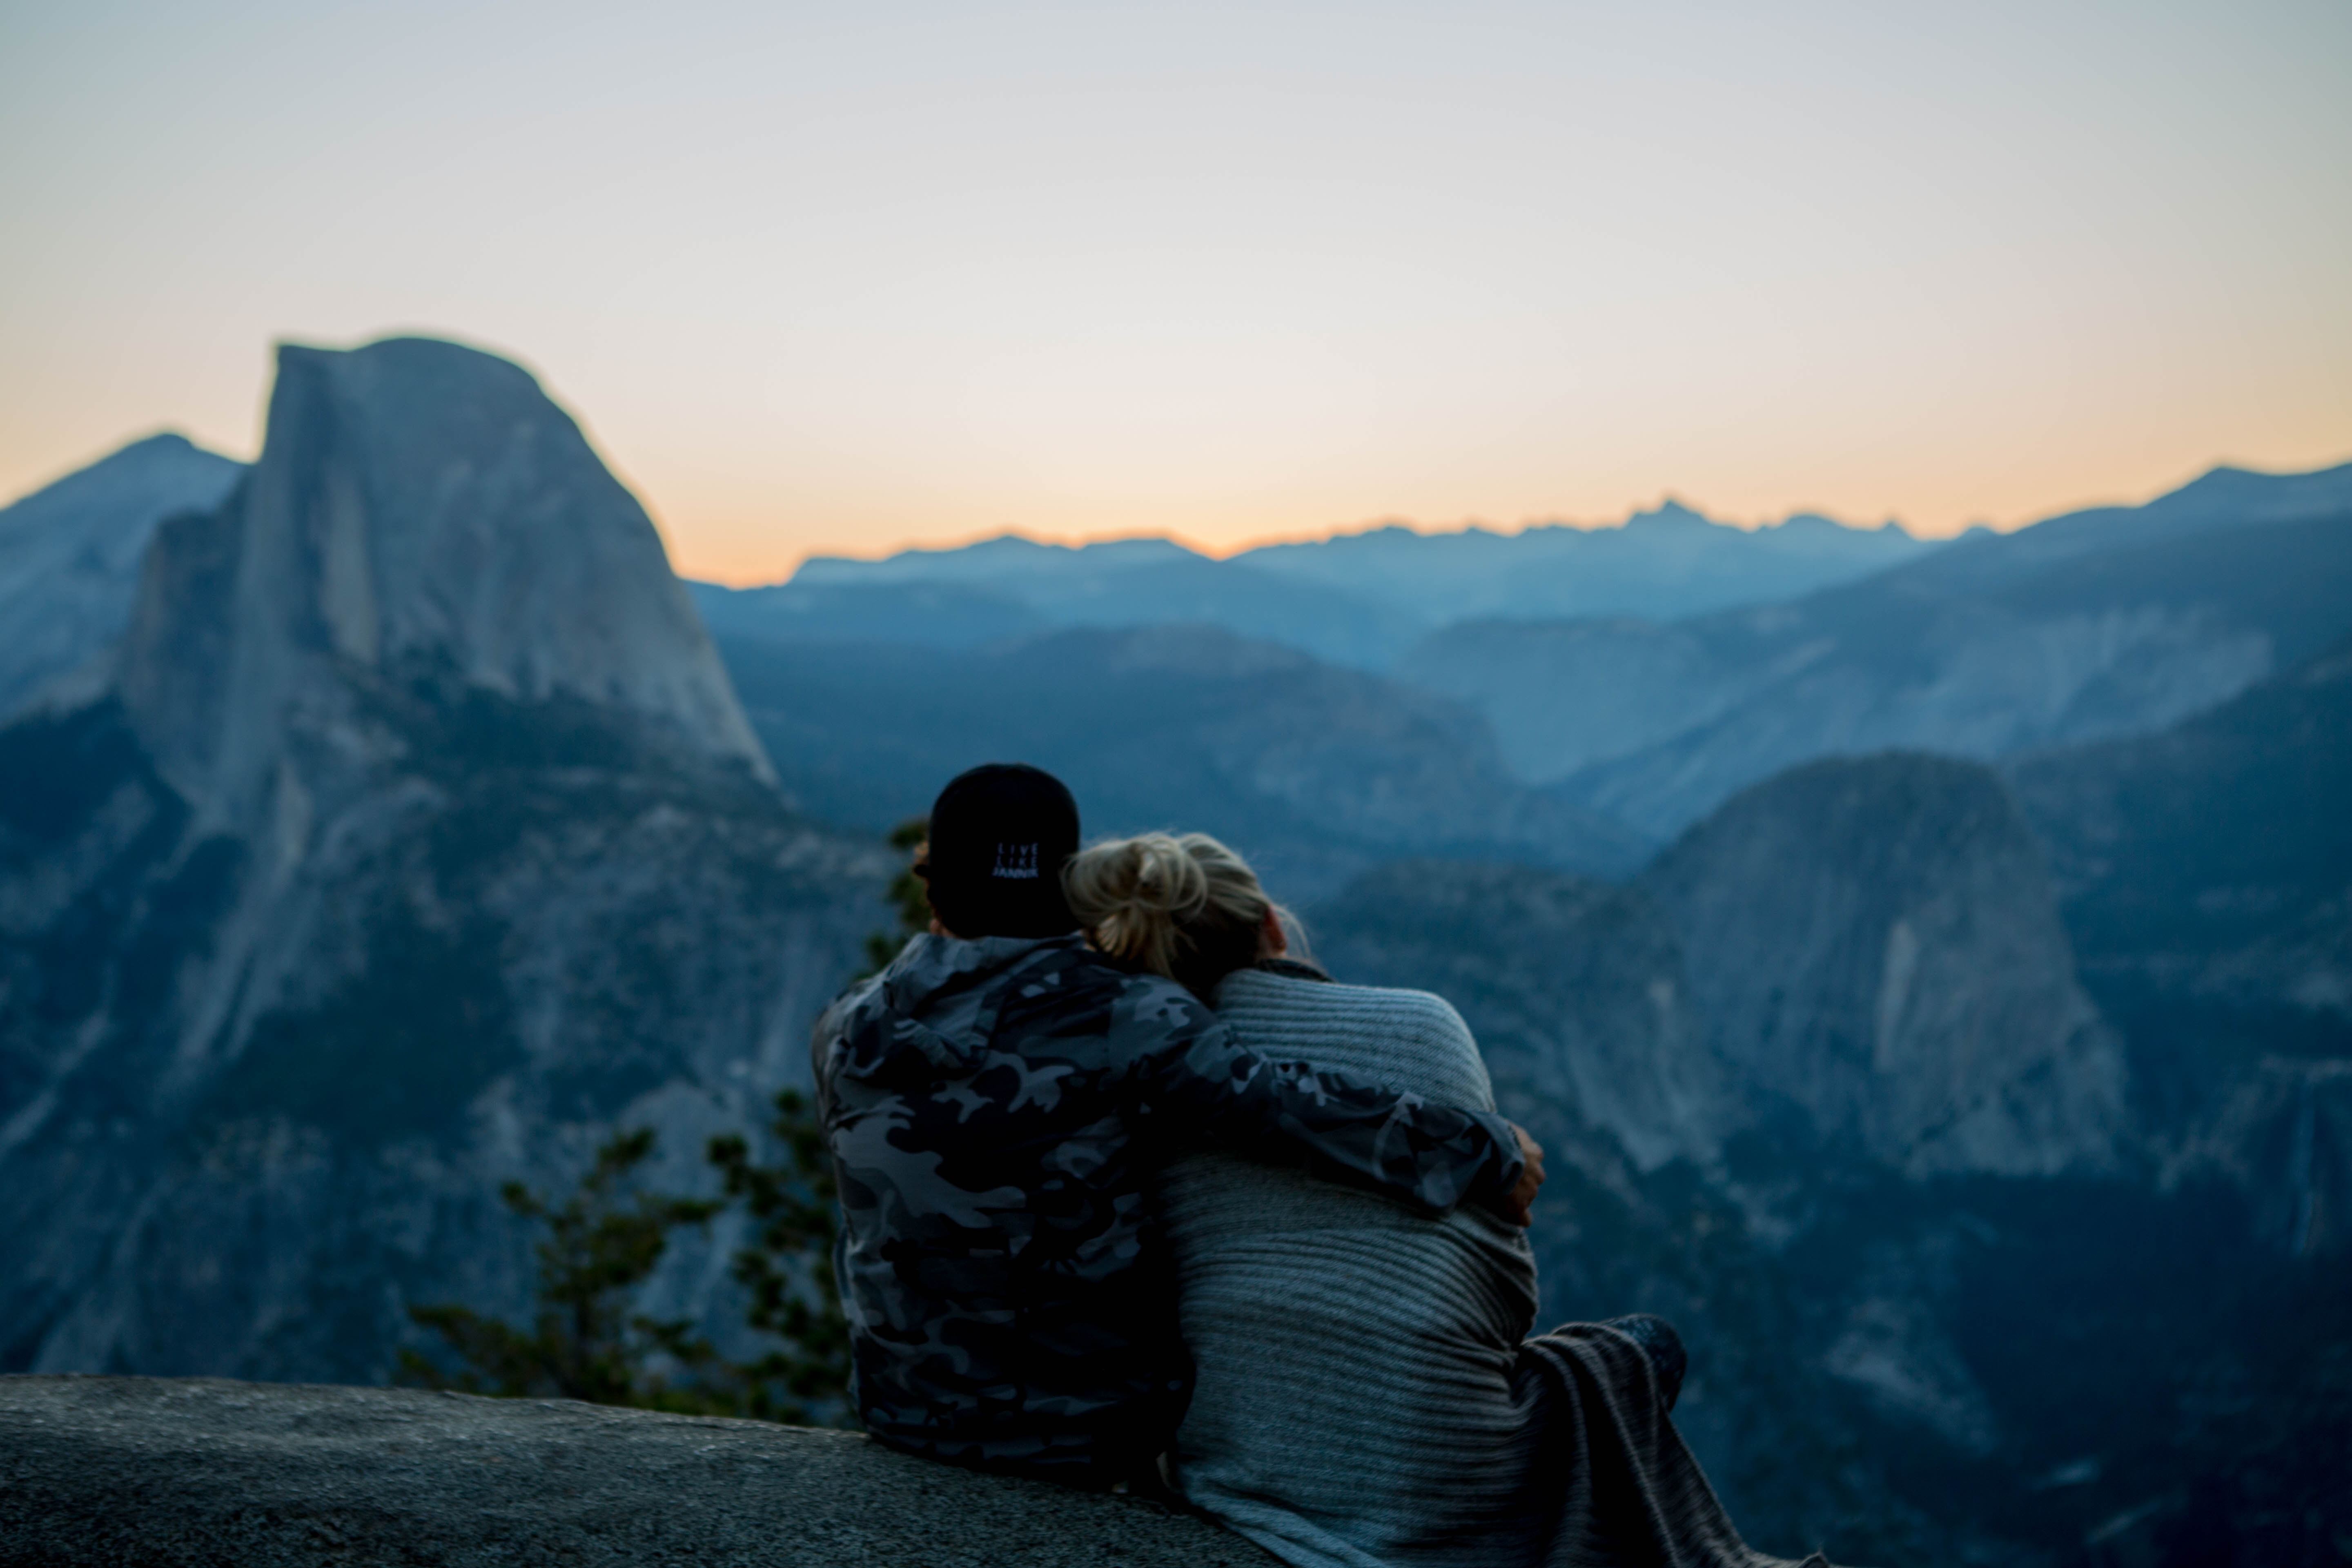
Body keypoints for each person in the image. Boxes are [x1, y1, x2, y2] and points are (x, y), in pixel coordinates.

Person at [1064, 831, 1831, 1568]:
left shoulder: (1143, 1075)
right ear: (1272, 925)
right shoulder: (1422, 1025)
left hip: (1234, 1464)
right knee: (1639, 1351)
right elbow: (1504, 1297)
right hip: (1444, 1482)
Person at [809, 764, 1545, 1491]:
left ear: (931, 884)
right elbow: (1281, 1108)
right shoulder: (1126, 1015)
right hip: (1078, 1438)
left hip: (901, 1416)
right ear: (1070, 889)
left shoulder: (845, 1025)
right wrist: (1487, 1150)